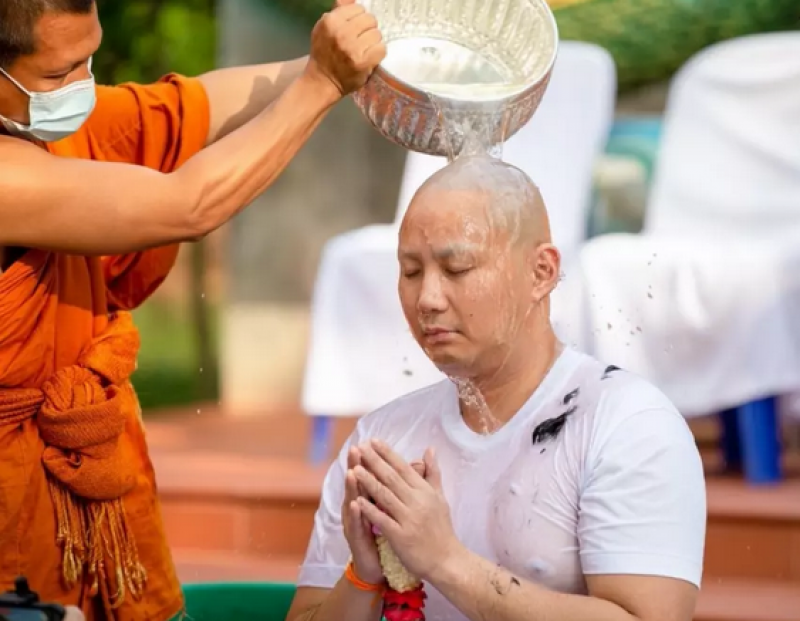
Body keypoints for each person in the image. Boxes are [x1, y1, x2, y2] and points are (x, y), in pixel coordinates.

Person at [0, 0, 385, 619]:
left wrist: (344, 58)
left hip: (97, 485)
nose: (82, 87)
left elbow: (192, 107)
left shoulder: (36, 119)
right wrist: (322, 84)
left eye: (89, 59)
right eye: (57, 74)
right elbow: (189, 205)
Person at [287, 156, 707, 621]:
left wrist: (446, 562)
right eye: (410, 272)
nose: (427, 299)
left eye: (457, 268)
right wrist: (363, 576)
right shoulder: (381, 441)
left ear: (541, 272)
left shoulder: (627, 425)